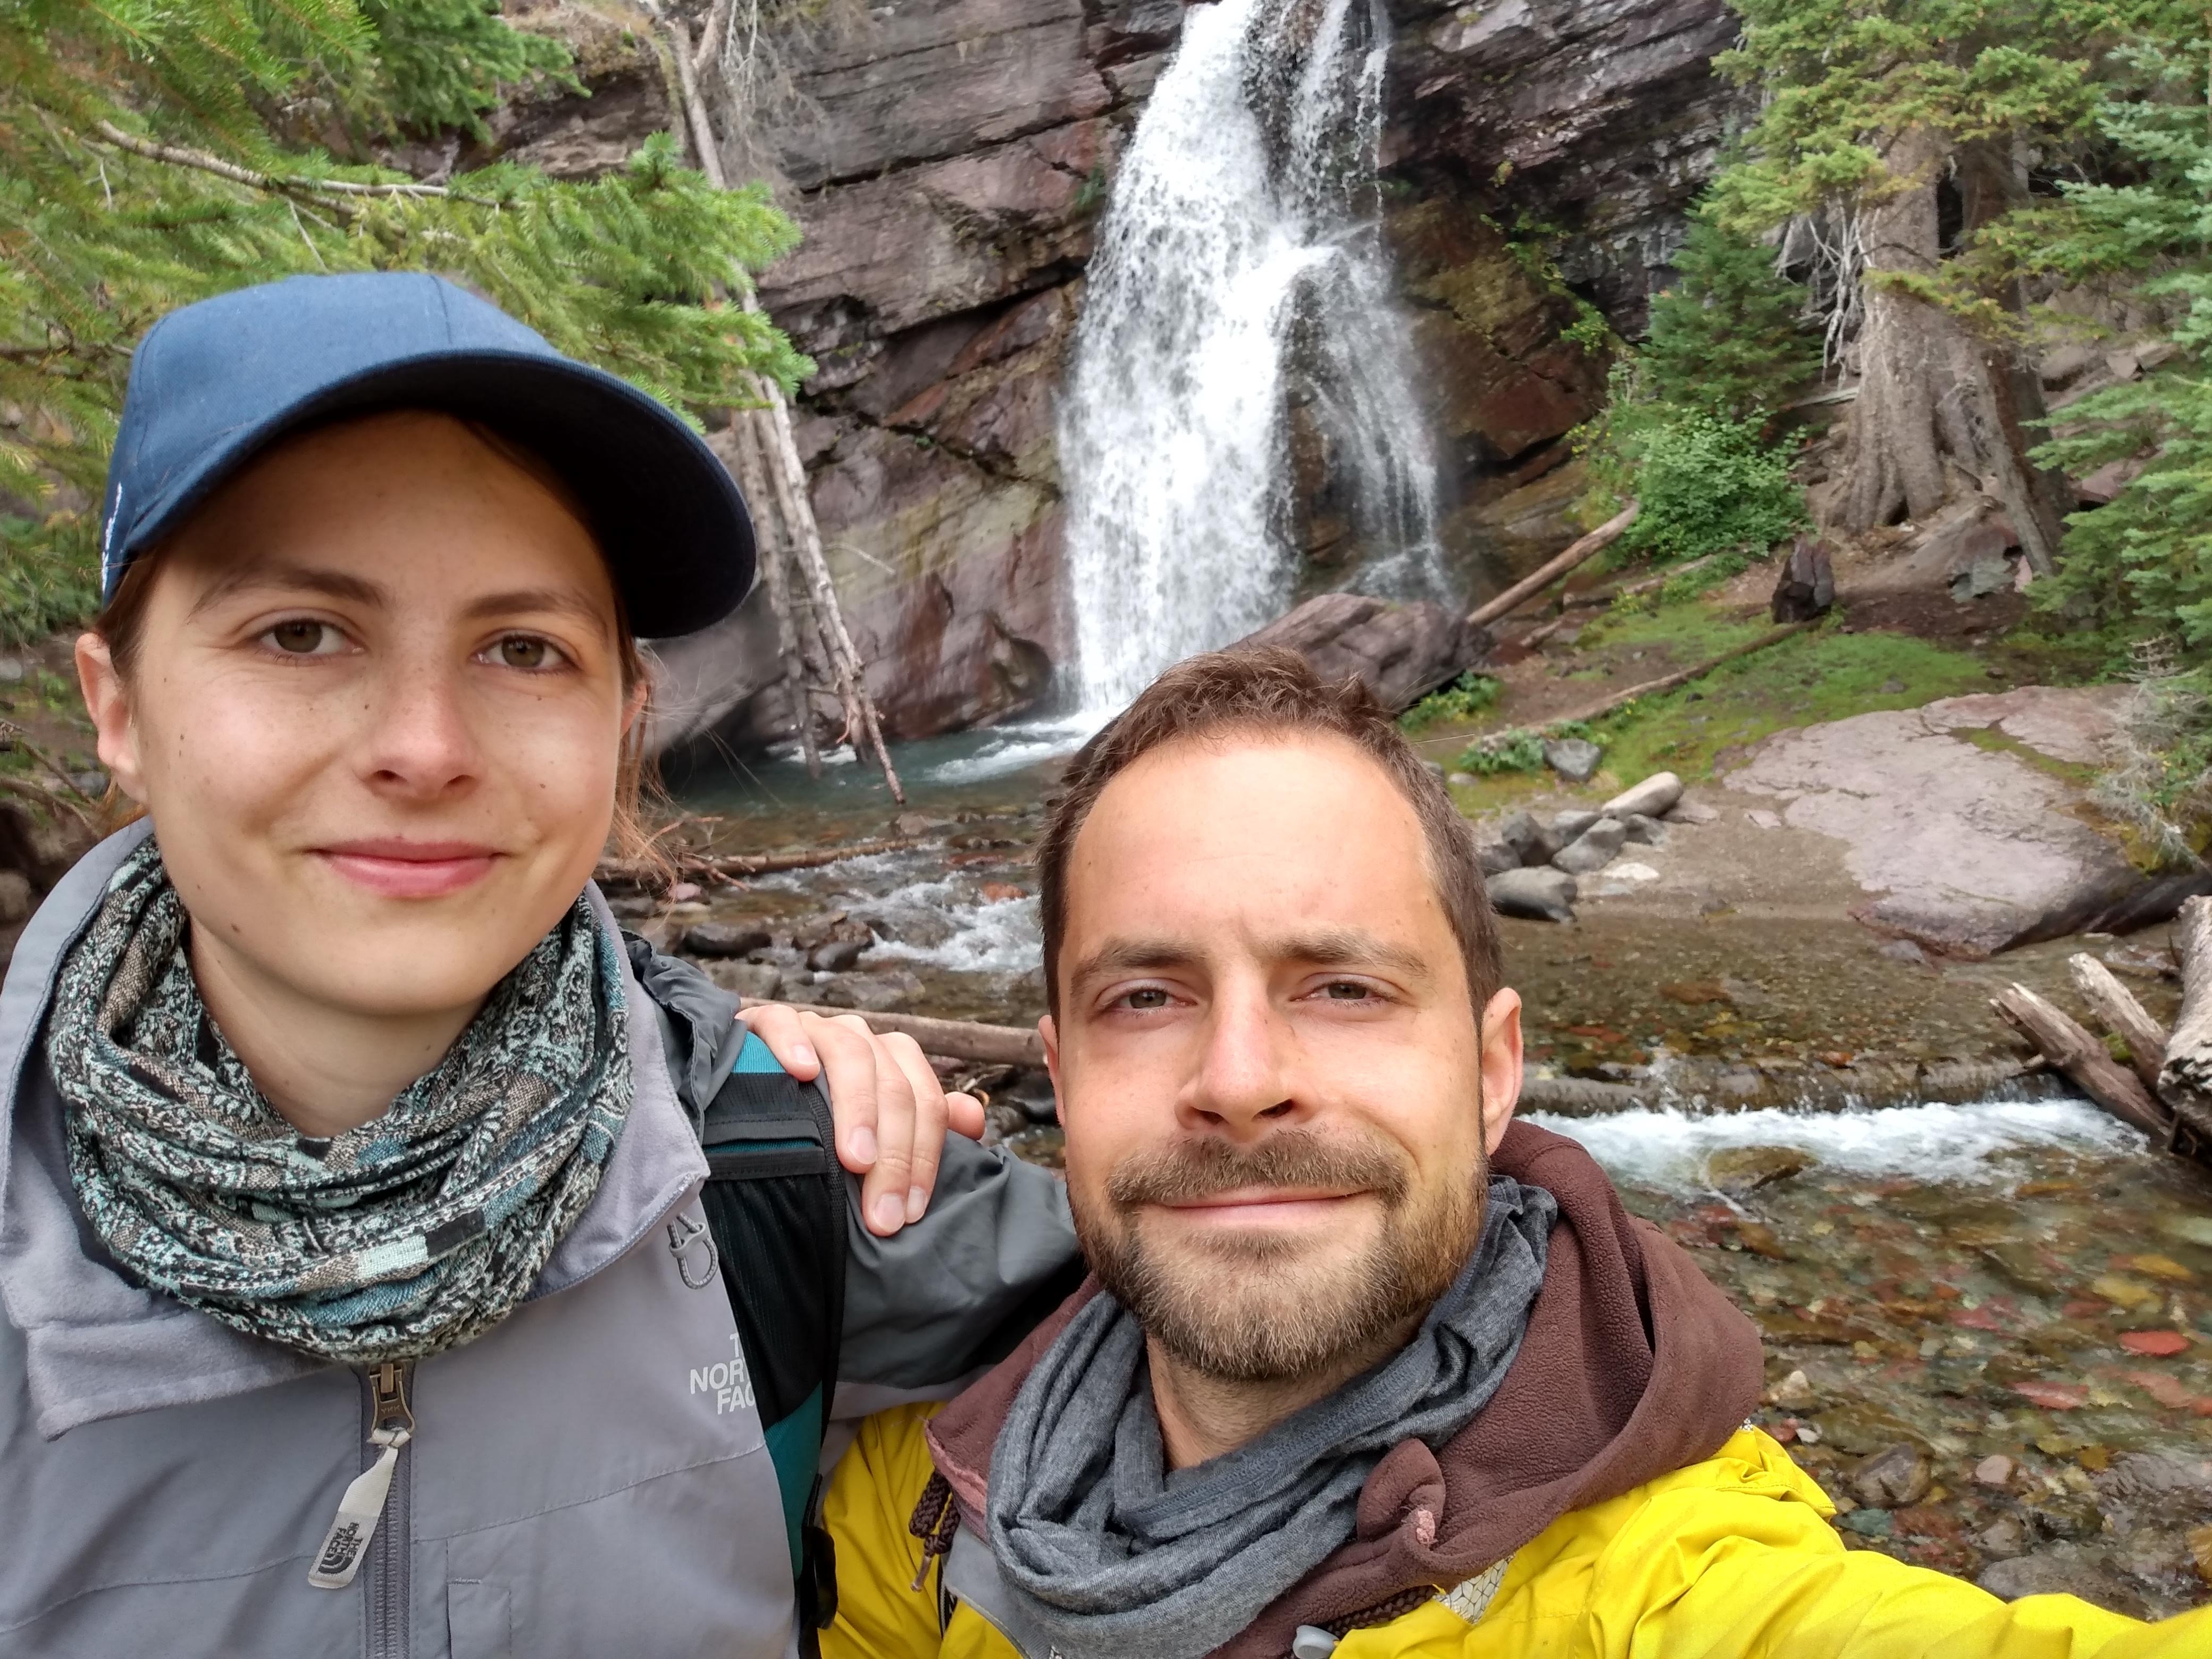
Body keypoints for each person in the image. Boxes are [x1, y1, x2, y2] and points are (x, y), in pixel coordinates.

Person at [0, 272, 1077, 1657]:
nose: (426, 747)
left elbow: (1251, 1326)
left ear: (623, 720)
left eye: (524, 648)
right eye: (300, 633)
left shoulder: (789, 1166)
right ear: (118, 708)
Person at [817, 648, 2212, 1659]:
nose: (1238, 1084)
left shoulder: (1666, 1589)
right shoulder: (923, 1491)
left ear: (1493, 1075)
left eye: (1344, 988)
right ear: (1059, 1080)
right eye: (1145, 997)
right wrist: (741, 1097)